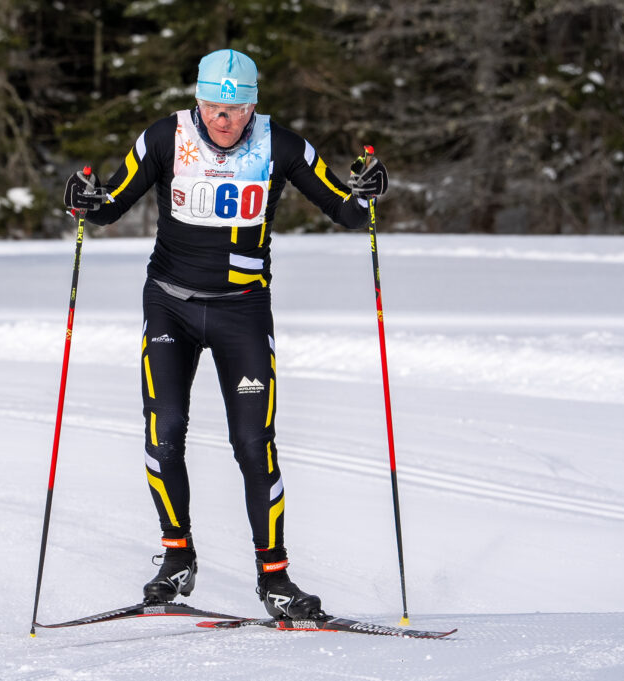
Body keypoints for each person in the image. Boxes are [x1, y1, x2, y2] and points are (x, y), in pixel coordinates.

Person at [63, 48, 388, 619]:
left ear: (252, 106)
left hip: (241, 309)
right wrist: (83, 200)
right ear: (197, 100)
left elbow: (346, 209)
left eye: (234, 109)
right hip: (171, 305)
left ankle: (275, 579)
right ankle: (177, 556)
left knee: (253, 444)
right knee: (165, 431)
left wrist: (366, 191)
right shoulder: (164, 137)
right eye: (213, 105)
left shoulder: (281, 145)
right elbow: (109, 205)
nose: (222, 119)